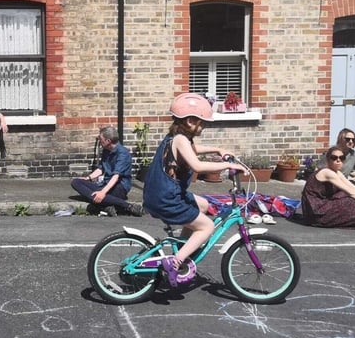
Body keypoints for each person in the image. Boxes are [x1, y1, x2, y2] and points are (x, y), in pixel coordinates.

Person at [142, 93, 246, 269]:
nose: (203, 126)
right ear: (190, 121)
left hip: (162, 193)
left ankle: (183, 248)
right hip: (166, 199)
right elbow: (196, 166)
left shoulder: (179, 138)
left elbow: (193, 150)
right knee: (207, 227)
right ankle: (175, 262)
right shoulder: (181, 139)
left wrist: (218, 149)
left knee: (203, 205)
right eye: (202, 122)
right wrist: (226, 165)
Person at [71, 126, 143, 217]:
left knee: (95, 196)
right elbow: (101, 169)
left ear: (108, 141)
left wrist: (102, 192)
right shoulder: (106, 150)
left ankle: (128, 206)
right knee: (76, 182)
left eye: (101, 139)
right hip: (105, 184)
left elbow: (116, 177)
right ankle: (106, 205)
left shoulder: (123, 154)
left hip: (119, 187)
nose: (99, 141)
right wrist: (88, 178)